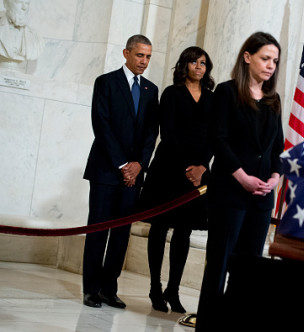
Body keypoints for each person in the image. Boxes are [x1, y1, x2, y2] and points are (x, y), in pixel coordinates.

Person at [194, 32, 284, 331]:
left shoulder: (273, 100)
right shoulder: (227, 91)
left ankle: (235, 323)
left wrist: (274, 177)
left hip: (261, 196)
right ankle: (208, 323)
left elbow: (276, 149)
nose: (271, 65)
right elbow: (218, 139)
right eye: (265, 58)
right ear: (247, 57)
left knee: (250, 265)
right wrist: (242, 176)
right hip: (230, 191)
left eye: (274, 60)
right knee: (220, 260)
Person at [82, 34, 159, 309]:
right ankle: (90, 289)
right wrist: (122, 164)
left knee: (122, 233)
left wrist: (139, 164)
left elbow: (152, 131)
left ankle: (108, 289)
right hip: (105, 170)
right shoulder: (106, 82)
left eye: (148, 56)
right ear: (126, 53)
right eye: (140, 55)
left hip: (134, 175)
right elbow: (100, 124)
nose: (144, 61)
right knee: (99, 230)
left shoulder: (152, 89)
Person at [139, 46, 215, 313]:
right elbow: (168, 133)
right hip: (169, 169)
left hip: (199, 173)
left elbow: (215, 137)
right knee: (160, 227)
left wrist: (202, 166)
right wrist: (188, 167)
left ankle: (174, 289)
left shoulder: (211, 98)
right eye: (194, 62)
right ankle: (155, 287)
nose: (198, 66)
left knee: (184, 231)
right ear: (185, 65)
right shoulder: (171, 93)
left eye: (203, 63)